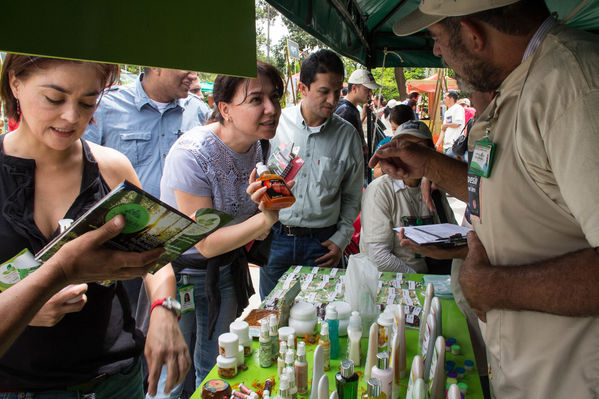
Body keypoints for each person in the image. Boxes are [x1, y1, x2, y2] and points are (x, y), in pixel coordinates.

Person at [382, 1, 599, 397]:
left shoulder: (574, 87)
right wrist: (428, 164)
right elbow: (512, 191)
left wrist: (495, 287)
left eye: (436, 39)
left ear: (472, 34)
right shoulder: (524, 83)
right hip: (525, 372)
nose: (436, 52)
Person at [0, 54, 189, 398]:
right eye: (54, 99)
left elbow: (156, 258)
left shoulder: (112, 168)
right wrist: (27, 303)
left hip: (116, 380)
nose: (71, 117)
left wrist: (164, 308)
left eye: (88, 102)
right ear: (15, 82)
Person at [159, 61, 285, 395]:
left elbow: (249, 228)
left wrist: (266, 207)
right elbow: (205, 243)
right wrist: (266, 218)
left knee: (220, 362)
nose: (271, 108)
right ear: (225, 109)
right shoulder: (192, 155)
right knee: (174, 372)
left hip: (227, 270)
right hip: (180, 276)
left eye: (275, 96)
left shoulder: (260, 147)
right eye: (256, 99)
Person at [84, 66, 206, 323]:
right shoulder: (106, 107)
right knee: (129, 329)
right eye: (185, 65)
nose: (193, 75)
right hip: (127, 249)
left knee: (179, 336)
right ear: (156, 65)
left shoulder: (198, 111)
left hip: (185, 254)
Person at [259, 49, 364, 299]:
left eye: (338, 91)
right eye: (324, 91)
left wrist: (341, 238)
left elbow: (352, 196)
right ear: (303, 88)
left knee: (322, 319)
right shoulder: (276, 125)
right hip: (275, 240)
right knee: (269, 319)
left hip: (322, 245)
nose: (333, 100)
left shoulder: (347, 136)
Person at [361, 121, 458, 273]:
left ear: (431, 152)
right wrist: (419, 281)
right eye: (405, 146)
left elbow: (454, 238)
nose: (412, 155)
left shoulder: (435, 187)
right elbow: (377, 255)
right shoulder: (381, 190)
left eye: (419, 147)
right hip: (398, 283)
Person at [335, 69, 380, 183]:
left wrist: (363, 115)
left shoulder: (348, 108)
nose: (370, 94)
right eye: (367, 89)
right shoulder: (346, 111)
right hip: (352, 173)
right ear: (354, 88)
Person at [373, 104, 415, 179]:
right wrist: (385, 169)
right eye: (394, 129)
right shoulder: (385, 144)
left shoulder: (419, 144)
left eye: (402, 129)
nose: (398, 133)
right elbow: (375, 172)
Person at [435, 90, 465, 158]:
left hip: (454, 145)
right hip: (446, 146)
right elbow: (443, 130)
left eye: (445, 98)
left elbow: (458, 123)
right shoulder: (447, 112)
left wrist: (446, 125)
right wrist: (437, 144)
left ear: (451, 99)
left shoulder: (458, 108)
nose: (444, 100)